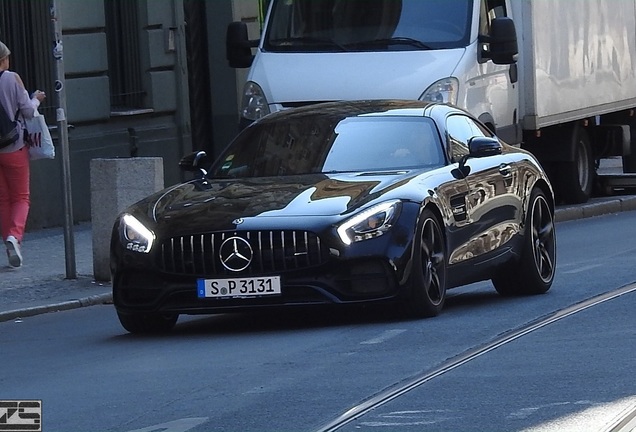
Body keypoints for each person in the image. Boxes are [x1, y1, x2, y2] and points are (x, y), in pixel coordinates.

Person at [0, 41, 46, 268]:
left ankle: (10, 249)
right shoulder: (11, 78)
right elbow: (27, 111)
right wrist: (36, 98)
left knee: (3, 199)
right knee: (21, 197)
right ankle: (14, 238)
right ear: (4, 59)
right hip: (14, 146)